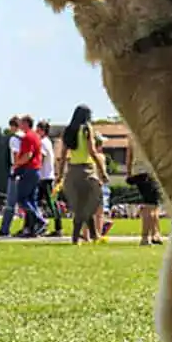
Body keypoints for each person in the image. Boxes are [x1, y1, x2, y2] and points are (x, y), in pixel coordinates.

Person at [58, 105, 107, 245]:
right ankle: (76, 237)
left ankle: (93, 235)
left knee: (82, 205)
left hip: (72, 170)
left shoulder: (68, 131)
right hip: (87, 169)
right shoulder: (86, 129)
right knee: (88, 204)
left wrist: (60, 175)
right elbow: (92, 151)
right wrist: (102, 171)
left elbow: (62, 155)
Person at [12, 115, 46, 237]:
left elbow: (28, 155)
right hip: (36, 170)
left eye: (21, 123)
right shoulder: (36, 136)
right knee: (32, 200)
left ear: (26, 124)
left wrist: (17, 164)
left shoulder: (28, 137)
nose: (19, 125)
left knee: (22, 198)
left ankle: (39, 220)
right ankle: (32, 228)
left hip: (29, 170)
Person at [126, 137, 163, 246]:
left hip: (137, 173)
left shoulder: (132, 136)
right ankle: (145, 237)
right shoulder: (153, 136)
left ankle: (156, 234)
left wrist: (129, 173)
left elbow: (129, 157)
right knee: (151, 206)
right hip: (150, 172)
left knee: (153, 205)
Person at [0, 115, 24, 237]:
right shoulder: (25, 137)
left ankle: (5, 228)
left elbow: (15, 156)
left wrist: (14, 169)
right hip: (25, 171)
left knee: (10, 203)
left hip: (15, 170)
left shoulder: (14, 139)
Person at [36, 120, 62, 237]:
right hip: (45, 176)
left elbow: (41, 158)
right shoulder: (47, 142)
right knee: (37, 203)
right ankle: (38, 224)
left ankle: (58, 227)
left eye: (38, 129)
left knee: (51, 203)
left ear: (42, 130)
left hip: (44, 177)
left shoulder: (43, 143)